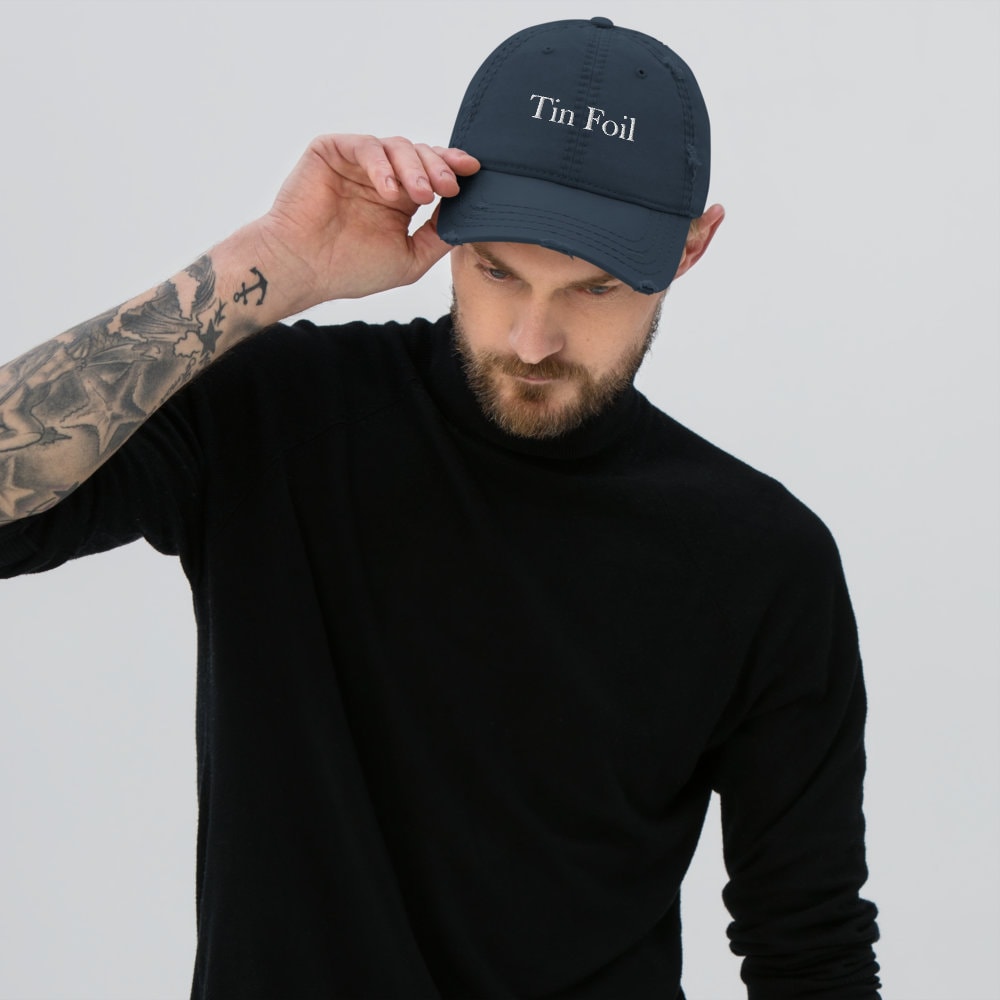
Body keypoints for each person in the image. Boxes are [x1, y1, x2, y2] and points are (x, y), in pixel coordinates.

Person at [0, 15, 880, 1000]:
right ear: (448, 230)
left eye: (593, 288)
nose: (534, 339)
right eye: (497, 270)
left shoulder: (762, 557)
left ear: (691, 246)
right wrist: (271, 265)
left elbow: (810, 949)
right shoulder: (276, 415)